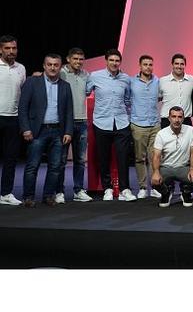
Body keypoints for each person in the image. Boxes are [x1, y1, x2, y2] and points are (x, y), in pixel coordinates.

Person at [18, 54, 73, 207]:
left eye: (56, 65)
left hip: (58, 131)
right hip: (37, 131)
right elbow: (22, 108)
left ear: (60, 67)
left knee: (55, 167)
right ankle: (28, 197)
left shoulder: (65, 86)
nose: (53, 68)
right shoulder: (32, 82)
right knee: (32, 166)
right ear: (44, 65)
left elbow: (69, 111)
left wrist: (68, 131)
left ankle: (49, 196)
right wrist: (25, 129)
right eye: (49, 64)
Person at [87, 49, 136, 202]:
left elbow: (128, 99)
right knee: (103, 157)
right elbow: (86, 91)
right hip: (102, 122)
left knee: (123, 158)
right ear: (106, 61)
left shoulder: (126, 78)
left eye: (117, 61)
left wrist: (128, 117)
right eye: (111, 60)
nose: (114, 63)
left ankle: (124, 189)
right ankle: (107, 188)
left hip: (121, 123)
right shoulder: (95, 76)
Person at [59, 47, 91, 202]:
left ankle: (78, 190)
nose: (78, 62)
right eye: (75, 59)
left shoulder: (86, 75)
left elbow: (87, 92)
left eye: (81, 59)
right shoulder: (61, 73)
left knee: (79, 159)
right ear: (68, 59)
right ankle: (59, 191)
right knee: (61, 159)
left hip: (82, 121)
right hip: (65, 122)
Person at [151, 106, 193, 208]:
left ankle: (186, 192)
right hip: (166, 168)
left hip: (183, 167)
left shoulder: (190, 130)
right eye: (174, 116)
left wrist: (192, 169)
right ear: (169, 118)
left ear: (183, 118)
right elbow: (156, 156)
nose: (177, 120)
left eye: (179, 117)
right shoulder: (161, 134)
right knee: (154, 181)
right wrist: (156, 172)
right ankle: (166, 192)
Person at [129, 55, 161, 199]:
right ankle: (142, 187)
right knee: (140, 158)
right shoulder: (131, 82)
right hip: (138, 125)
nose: (148, 67)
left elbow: (160, 97)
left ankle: (155, 186)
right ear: (140, 66)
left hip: (154, 124)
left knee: (155, 157)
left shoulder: (157, 81)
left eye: (150, 64)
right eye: (145, 64)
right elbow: (126, 99)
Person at [0, 35, 26, 206]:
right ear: (1, 49)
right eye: (7, 48)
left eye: (14, 48)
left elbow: (22, 93)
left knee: (10, 159)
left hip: (14, 119)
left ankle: (6, 193)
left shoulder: (21, 68)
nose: (11, 51)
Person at [158, 53, 193, 129]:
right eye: (176, 63)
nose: (179, 66)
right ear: (172, 65)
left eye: (182, 64)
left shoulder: (192, 80)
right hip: (167, 121)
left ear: (185, 65)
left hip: (186, 121)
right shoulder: (162, 81)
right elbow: (157, 98)